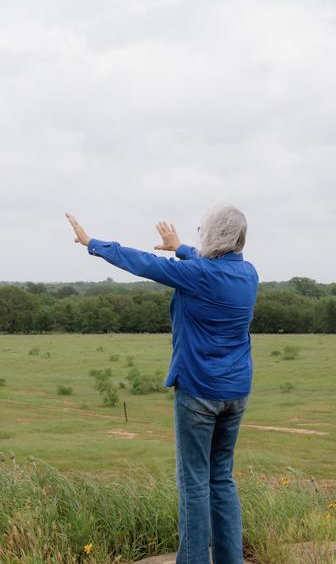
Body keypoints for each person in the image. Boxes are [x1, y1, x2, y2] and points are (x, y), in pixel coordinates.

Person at [65, 205, 258, 564]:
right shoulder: (248, 274)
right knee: (222, 478)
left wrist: (92, 242)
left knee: (194, 482)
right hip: (236, 393)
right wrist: (180, 246)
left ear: (213, 235)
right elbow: (208, 264)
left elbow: (141, 262)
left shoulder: (197, 275)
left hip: (199, 392)